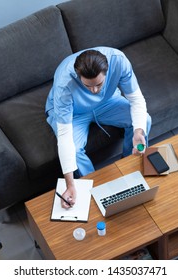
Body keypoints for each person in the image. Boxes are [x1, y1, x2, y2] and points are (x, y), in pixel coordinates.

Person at [45, 47, 151, 208]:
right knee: (74, 150)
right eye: (88, 86)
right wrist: (70, 184)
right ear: (77, 76)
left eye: (98, 84)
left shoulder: (119, 61)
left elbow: (136, 99)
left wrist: (138, 131)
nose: (94, 91)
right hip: (74, 113)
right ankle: (96, 187)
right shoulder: (64, 84)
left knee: (145, 121)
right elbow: (65, 137)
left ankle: (129, 165)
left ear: (107, 71)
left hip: (106, 102)